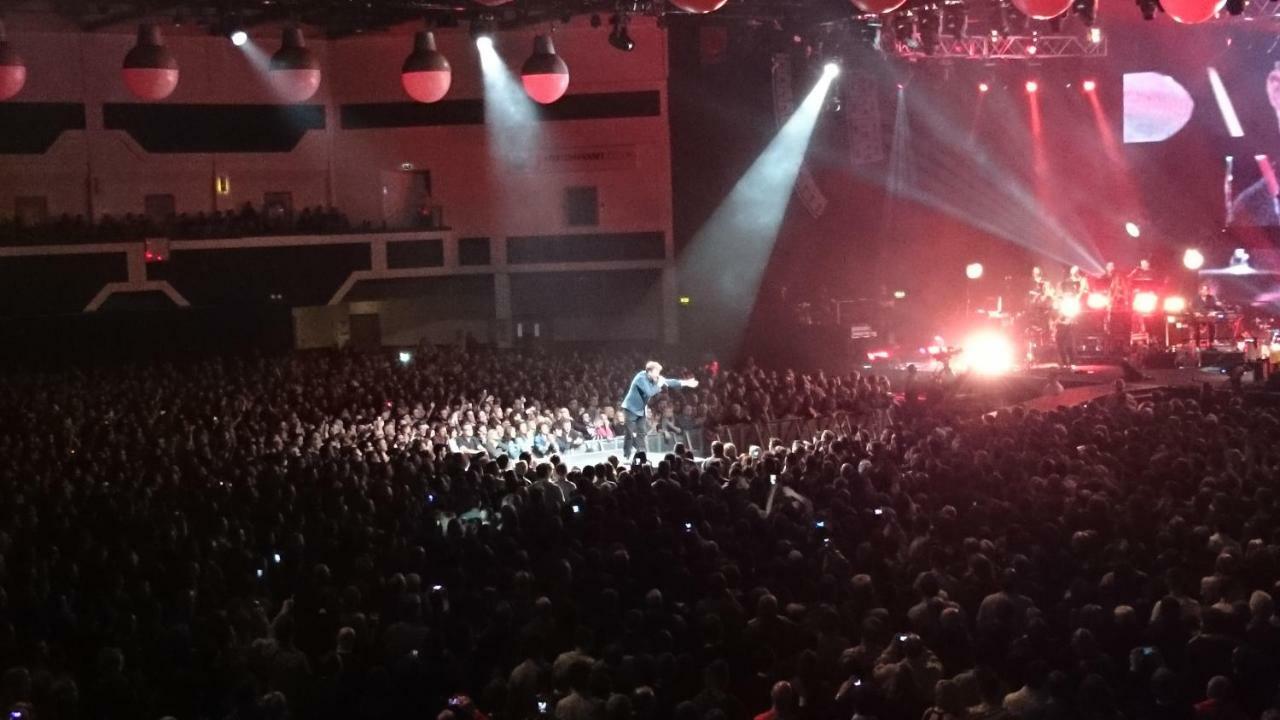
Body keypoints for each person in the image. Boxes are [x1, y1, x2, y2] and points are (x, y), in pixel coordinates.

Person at [619, 361, 698, 459]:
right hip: (630, 408)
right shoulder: (640, 378)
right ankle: (626, 455)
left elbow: (670, 382)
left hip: (641, 409)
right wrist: (659, 385)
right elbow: (649, 392)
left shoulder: (656, 379)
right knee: (630, 433)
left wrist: (687, 383)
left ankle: (642, 454)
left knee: (642, 432)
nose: (658, 375)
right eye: (657, 372)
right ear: (650, 371)